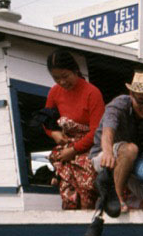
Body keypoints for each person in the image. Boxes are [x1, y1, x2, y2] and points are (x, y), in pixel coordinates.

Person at [91, 71, 143, 212]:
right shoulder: (119, 104)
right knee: (130, 149)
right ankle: (117, 198)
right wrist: (108, 153)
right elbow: (108, 131)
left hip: (135, 161)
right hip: (106, 157)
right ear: (131, 95)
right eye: (142, 102)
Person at [44, 49, 105, 209]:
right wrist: (54, 134)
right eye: (56, 78)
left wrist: (74, 150)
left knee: (88, 188)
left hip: (90, 149)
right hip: (65, 149)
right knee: (67, 194)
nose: (62, 82)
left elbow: (97, 132)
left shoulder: (92, 93)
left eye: (65, 76)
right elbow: (46, 121)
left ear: (75, 70)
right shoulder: (54, 92)